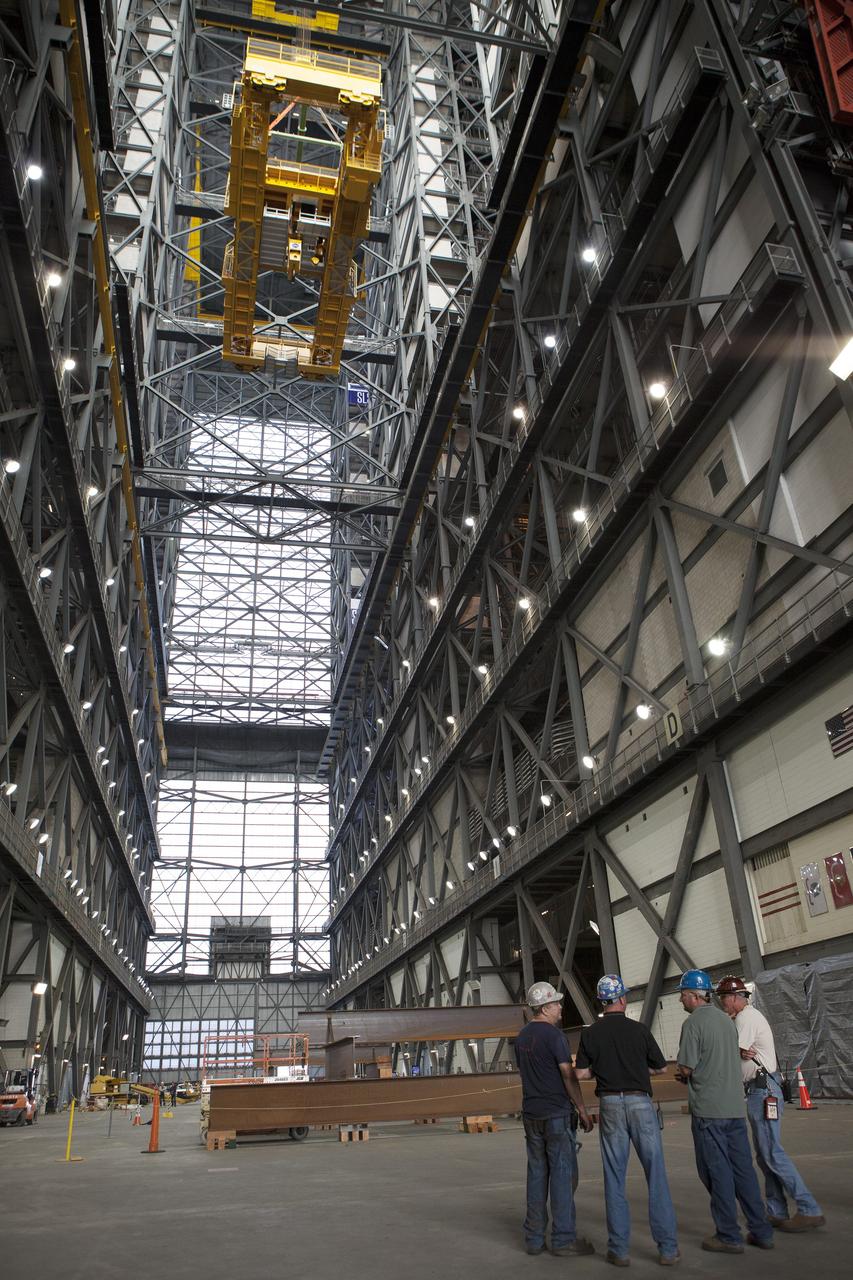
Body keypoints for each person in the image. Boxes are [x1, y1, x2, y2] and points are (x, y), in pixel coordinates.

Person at [574, 975, 679, 1267]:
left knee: (614, 1177)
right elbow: (659, 1069)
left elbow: (581, 1075)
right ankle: (668, 1249)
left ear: (602, 1002)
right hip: (640, 1103)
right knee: (655, 1174)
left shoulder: (591, 1033)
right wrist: (635, 1068)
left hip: (610, 1105)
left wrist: (602, 1070)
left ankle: (619, 1250)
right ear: (622, 999)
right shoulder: (639, 1030)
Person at [676, 969, 774, 1254]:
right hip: (733, 1107)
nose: (681, 999)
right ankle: (761, 1230)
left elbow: (686, 1067)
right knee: (743, 1169)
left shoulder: (693, 1024)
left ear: (694, 996)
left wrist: (684, 1074)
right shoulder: (727, 1021)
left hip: (709, 1110)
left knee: (716, 1171)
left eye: (683, 994)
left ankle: (728, 1235)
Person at [716, 976, 825, 1232]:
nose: (722, 1003)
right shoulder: (744, 1018)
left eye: (723, 998)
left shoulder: (745, 1018)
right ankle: (776, 1211)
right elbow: (739, 1049)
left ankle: (809, 1208)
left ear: (734, 998)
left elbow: (729, 1051)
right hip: (762, 1090)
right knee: (765, 1155)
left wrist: (734, 1049)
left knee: (772, 1152)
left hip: (762, 1091)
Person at [514, 981, 596, 1257]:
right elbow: (567, 1075)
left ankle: (534, 1239)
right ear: (545, 1007)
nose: (561, 1007)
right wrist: (582, 1109)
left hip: (531, 1114)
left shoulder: (522, 1037)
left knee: (537, 1174)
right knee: (562, 1176)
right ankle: (563, 1239)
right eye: (557, 1003)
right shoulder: (555, 1036)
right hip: (556, 1114)